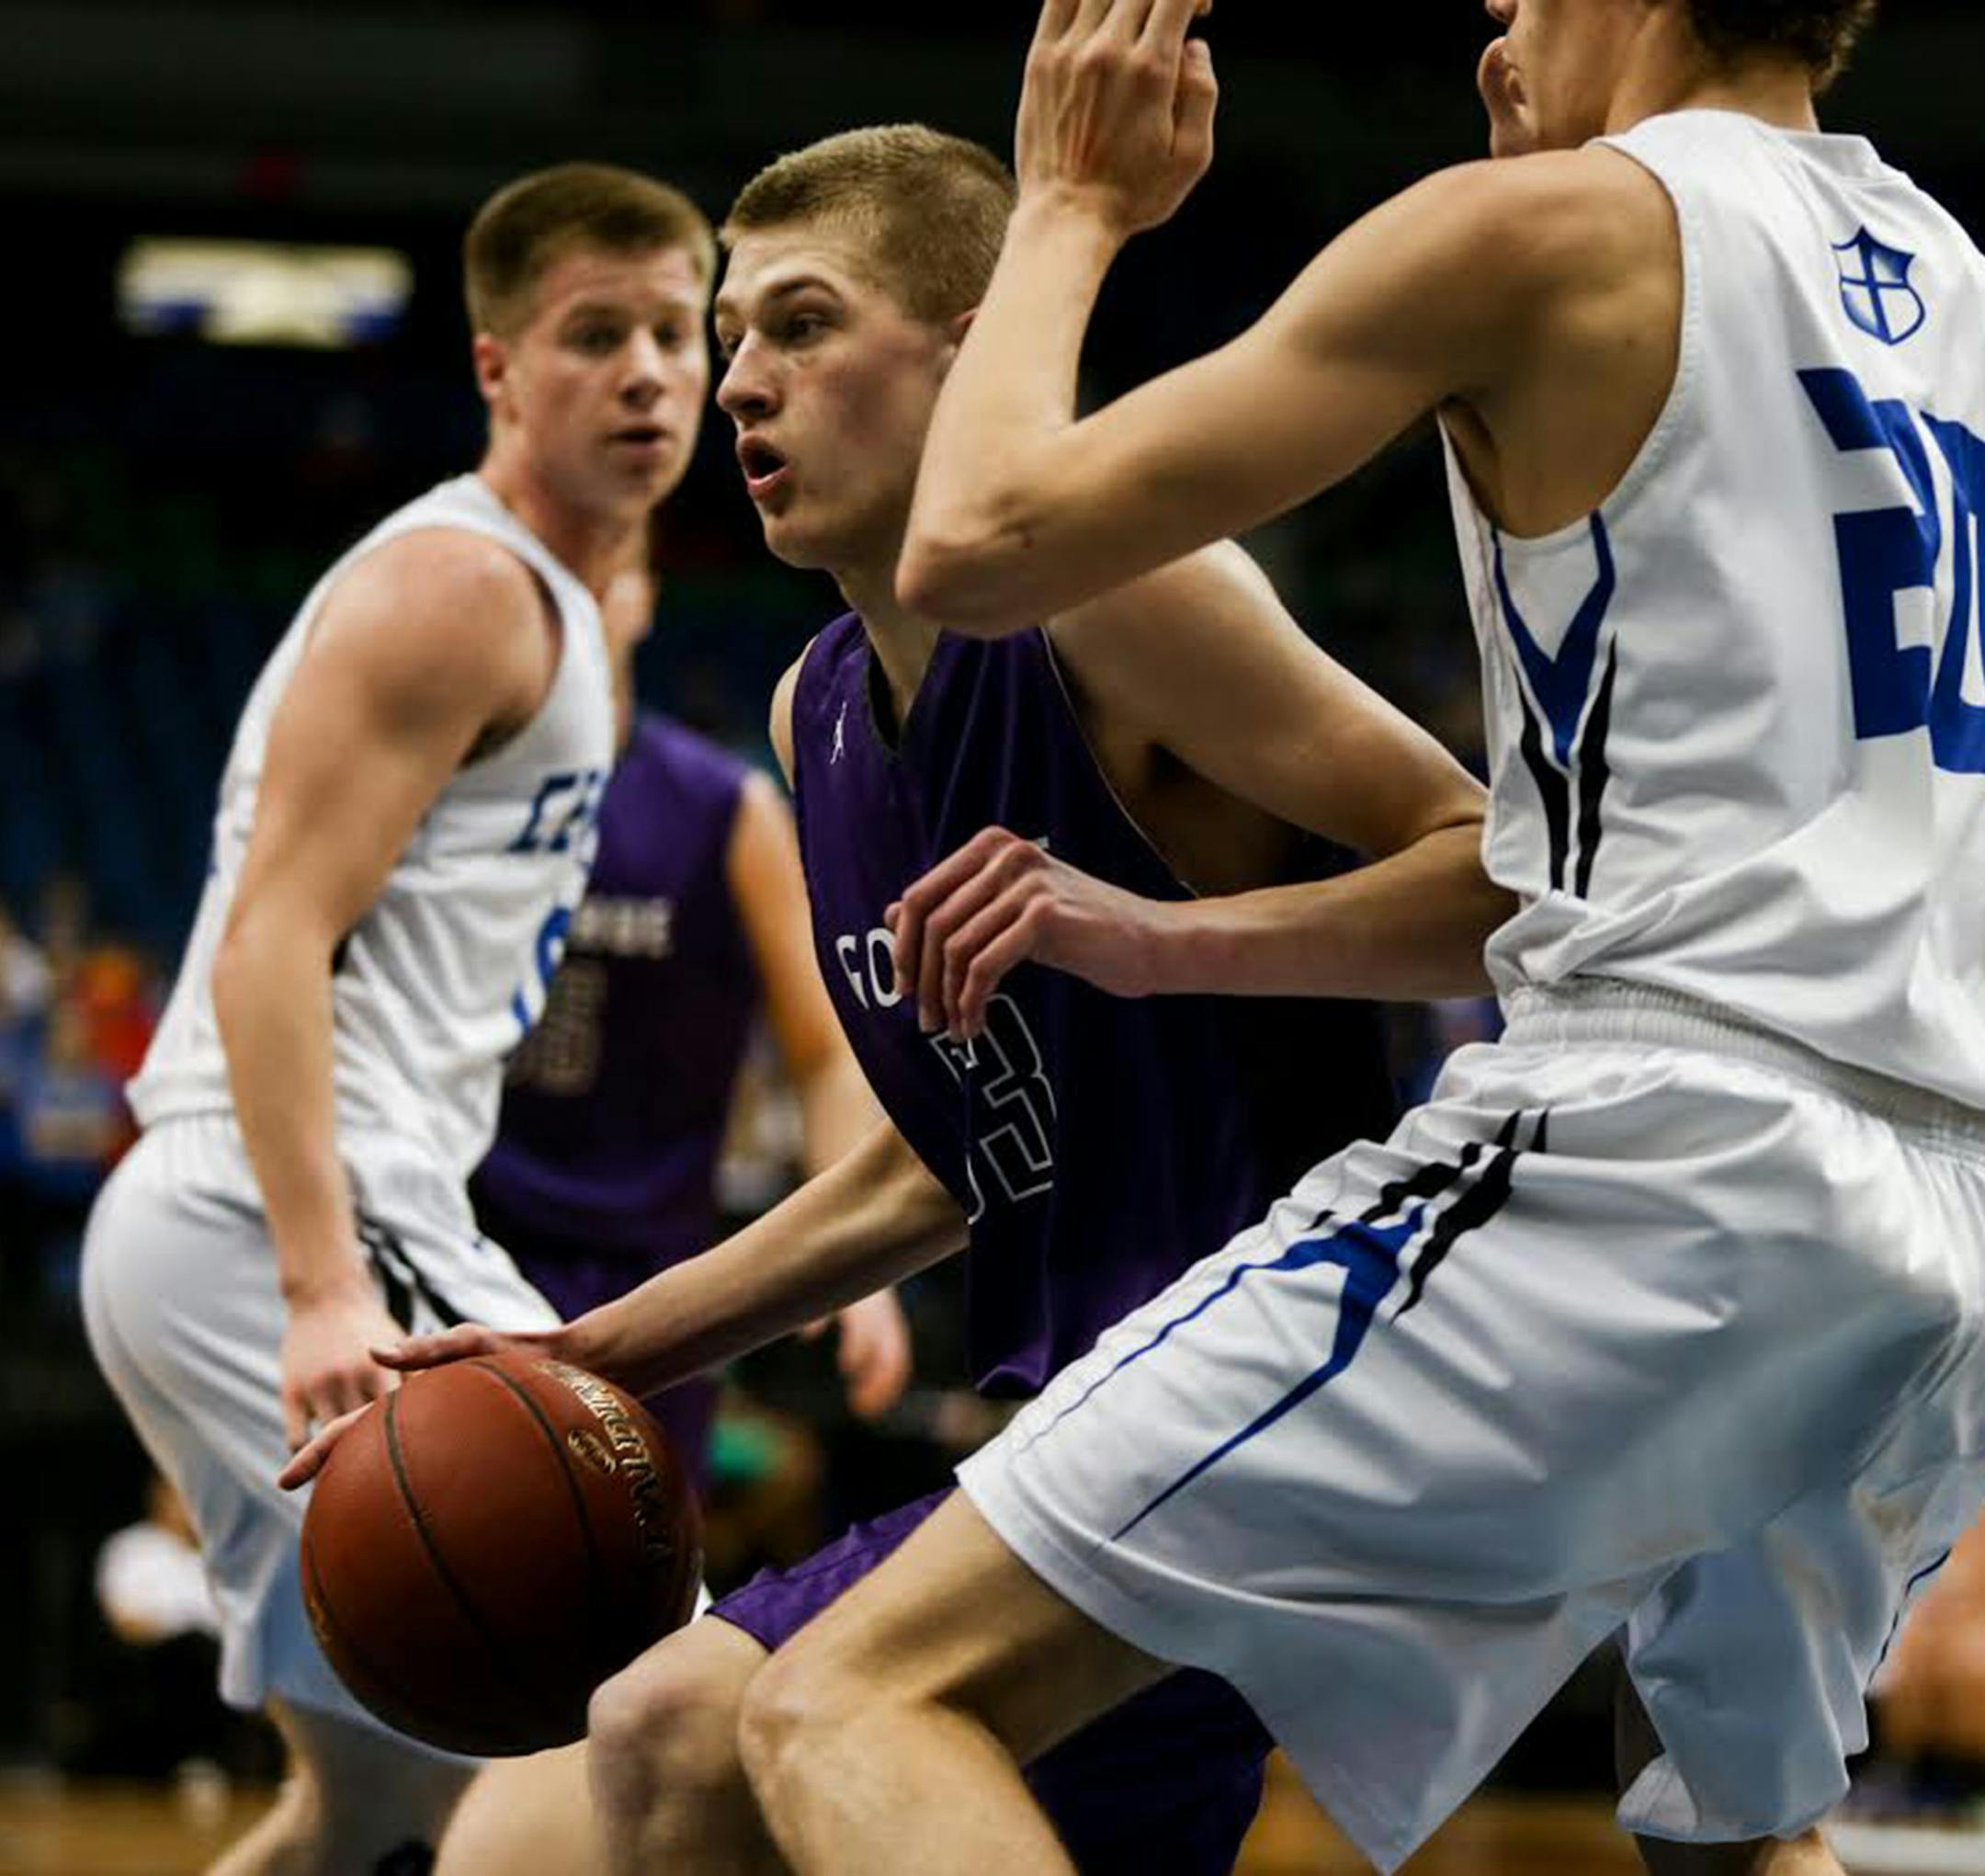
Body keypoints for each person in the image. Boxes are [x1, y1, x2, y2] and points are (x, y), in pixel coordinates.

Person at [714, 4, 1985, 1875]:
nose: (1488, 12)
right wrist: (1172, 942)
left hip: (1664, 1138)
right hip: (1933, 1186)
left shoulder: (1541, 238)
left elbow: (972, 539)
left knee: (847, 1698)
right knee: (1743, 1834)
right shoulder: (1946, 269)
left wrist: (1066, 202)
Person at [283, 122, 1509, 1874]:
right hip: (1091, 1432)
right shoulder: (820, 713)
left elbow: (1497, 879)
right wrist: (586, 1354)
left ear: (965, 348)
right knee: (574, 1817)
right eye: (731, 345)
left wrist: (1157, 935)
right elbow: (945, 1164)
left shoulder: (1117, 596)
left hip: (1281, 1393)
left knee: (677, 1731)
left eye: (799, 325)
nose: (738, 387)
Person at [80, 161, 716, 1875]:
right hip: (285, 1209)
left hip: (246, 1209)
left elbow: (611, 569)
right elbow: (270, 944)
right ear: (498, 368)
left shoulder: (576, 598)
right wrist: (321, 1282)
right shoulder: (456, 590)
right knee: (661, 1692)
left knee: (372, 1818)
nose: (654, 371)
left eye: (680, 331)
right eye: (599, 337)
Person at [432, 527, 913, 1876]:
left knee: (601, 1716)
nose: (577, 590)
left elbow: (827, 1055)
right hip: (455, 1283)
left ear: (644, 595)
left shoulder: (722, 810)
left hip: (648, 1310)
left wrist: (860, 1263)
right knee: (419, 1704)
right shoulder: (435, 794)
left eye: (603, 564)